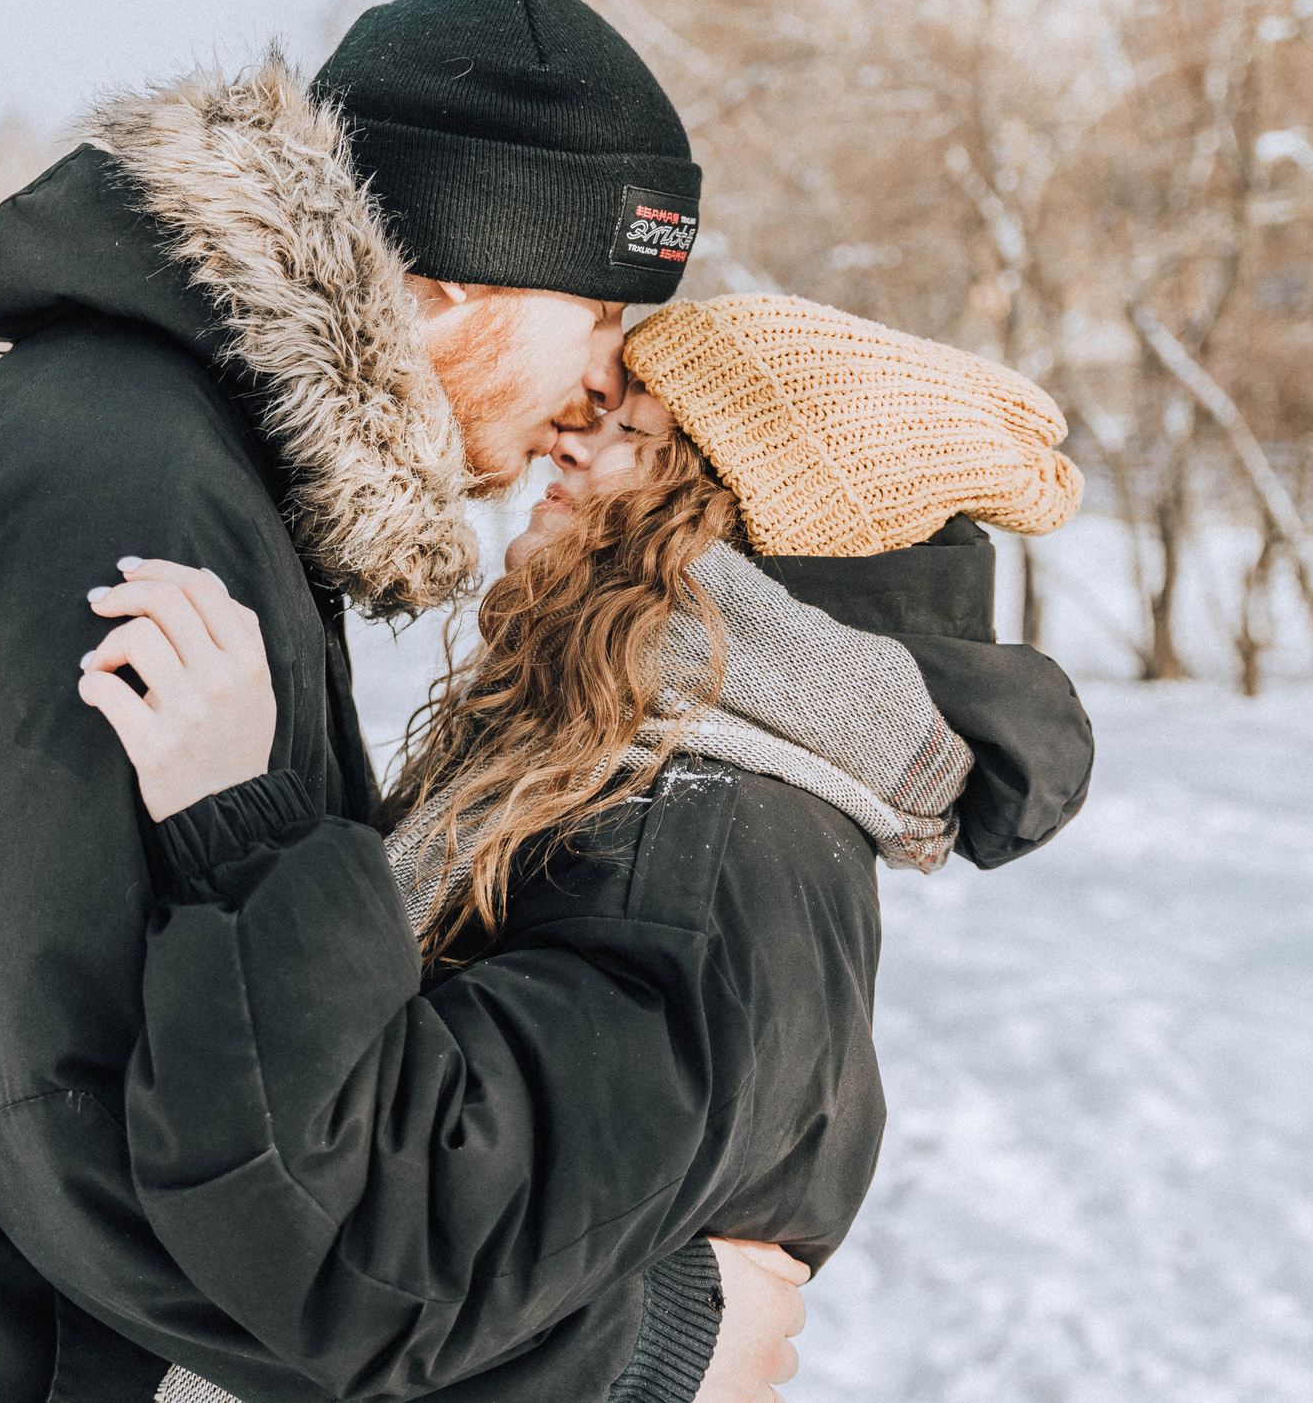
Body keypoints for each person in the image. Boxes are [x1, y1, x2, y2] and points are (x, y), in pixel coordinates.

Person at [0, 0, 779, 1403]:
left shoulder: (175, 448)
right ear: (450, 288)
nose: (606, 387)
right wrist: (634, 1353)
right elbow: (84, 1122)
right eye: (601, 317)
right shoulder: (131, 501)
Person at [76, 294, 1097, 1403]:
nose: (566, 432)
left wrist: (240, 823)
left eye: (636, 432)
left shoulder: (704, 842)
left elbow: (381, 1244)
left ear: (736, 526)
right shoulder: (612, 762)